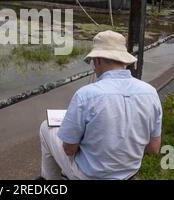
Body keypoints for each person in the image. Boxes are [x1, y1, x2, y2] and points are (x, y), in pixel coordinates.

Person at [39, 30, 162, 180]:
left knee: (45, 127)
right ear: (123, 60)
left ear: (97, 60)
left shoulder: (85, 95)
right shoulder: (151, 93)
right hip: (129, 173)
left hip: (88, 176)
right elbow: (154, 148)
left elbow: (69, 149)